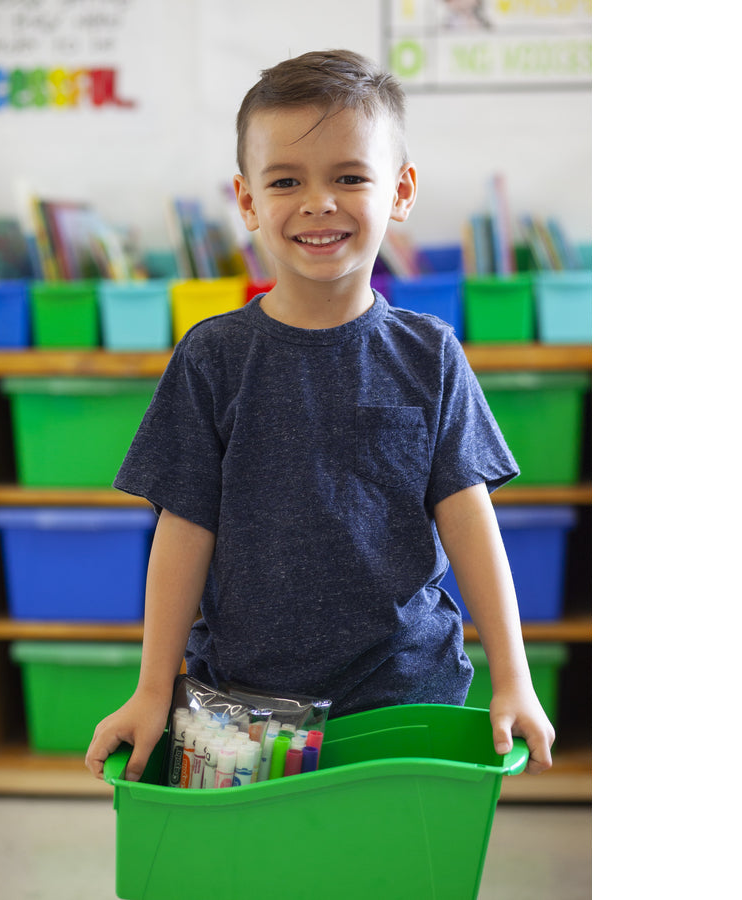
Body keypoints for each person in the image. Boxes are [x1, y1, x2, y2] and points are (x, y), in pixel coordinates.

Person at [85, 48, 555, 782]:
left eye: (349, 177)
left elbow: (470, 523)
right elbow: (182, 532)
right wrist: (152, 689)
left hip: (405, 693)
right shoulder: (212, 358)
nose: (318, 202)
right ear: (246, 202)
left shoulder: (430, 354)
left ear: (399, 191)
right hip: (238, 705)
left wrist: (514, 678)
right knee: (251, 882)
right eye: (285, 181)